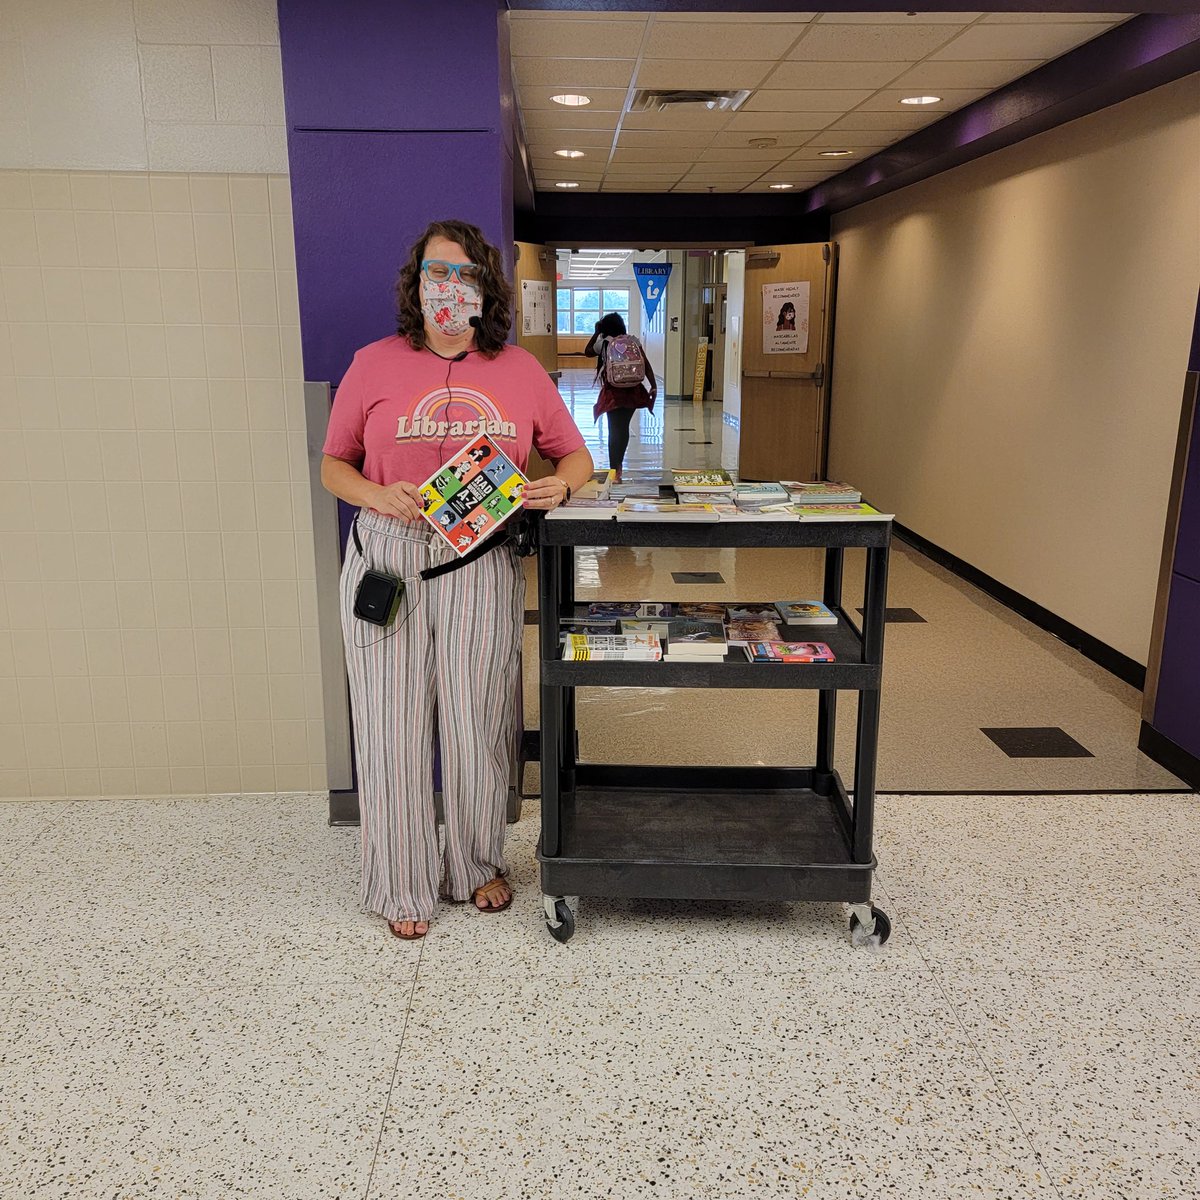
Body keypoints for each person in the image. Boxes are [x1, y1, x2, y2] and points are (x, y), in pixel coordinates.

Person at [321, 219, 594, 940]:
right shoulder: (373, 363)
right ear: (415, 284)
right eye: (434, 273)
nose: (447, 287)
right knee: (390, 726)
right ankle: (400, 879)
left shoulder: (520, 371)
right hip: (390, 556)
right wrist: (372, 494)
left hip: (482, 560)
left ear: (484, 287)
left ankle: (473, 863)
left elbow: (575, 459)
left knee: (478, 719)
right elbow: (333, 463)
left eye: (463, 273)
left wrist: (556, 489)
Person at [584, 312, 656, 484]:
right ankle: (618, 468)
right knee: (623, 428)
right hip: (633, 390)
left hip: (613, 391)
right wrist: (653, 385)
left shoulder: (604, 342)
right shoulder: (633, 341)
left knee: (613, 430)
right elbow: (645, 364)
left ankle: (614, 470)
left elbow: (587, 351)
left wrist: (596, 332)